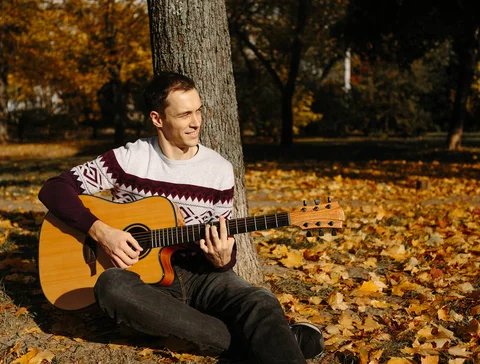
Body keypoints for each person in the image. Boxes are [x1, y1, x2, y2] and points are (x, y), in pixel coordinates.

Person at [38, 72, 324, 363]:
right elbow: (53, 189)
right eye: (185, 114)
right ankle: (269, 342)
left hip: (202, 275)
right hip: (145, 284)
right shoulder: (128, 160)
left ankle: (256, 343)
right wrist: (102, 232)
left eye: (198, 111)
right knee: (112, 286)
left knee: (260, 300)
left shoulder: (219, 170)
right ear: (158, 119)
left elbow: (224, 242)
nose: (196, 122)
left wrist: (224, 257)